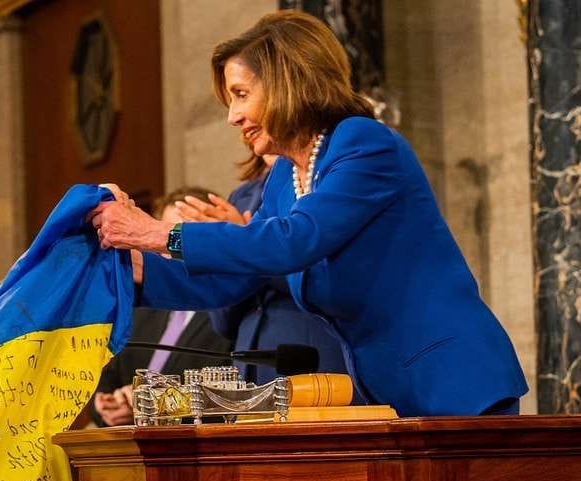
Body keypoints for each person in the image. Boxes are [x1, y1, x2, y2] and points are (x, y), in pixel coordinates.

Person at [89, 10, 526, 417]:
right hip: (385, 396)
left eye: (241, 95)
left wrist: (161, 234)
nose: (232, 116)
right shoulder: (285, 176)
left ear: (286, 83)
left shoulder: (364, 143)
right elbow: (238, 280)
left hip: (452, 384)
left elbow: (294, 240)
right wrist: (135, 269)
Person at [174, 154, 352, 386]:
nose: (237, 119)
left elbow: (331, 279)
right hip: (250, 362)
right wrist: (217, 255)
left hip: (312, 356)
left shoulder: (328, 180)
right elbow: (223, 322)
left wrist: (243, 245)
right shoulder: (241, 196)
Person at [93, 187, 232, 427]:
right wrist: (106, 406)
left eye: (183, 235)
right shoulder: (140, 305)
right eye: (167, 234)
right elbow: (104, 377)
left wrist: (153, 405)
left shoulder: (230, 310)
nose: (175, 247)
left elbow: (230, 393)